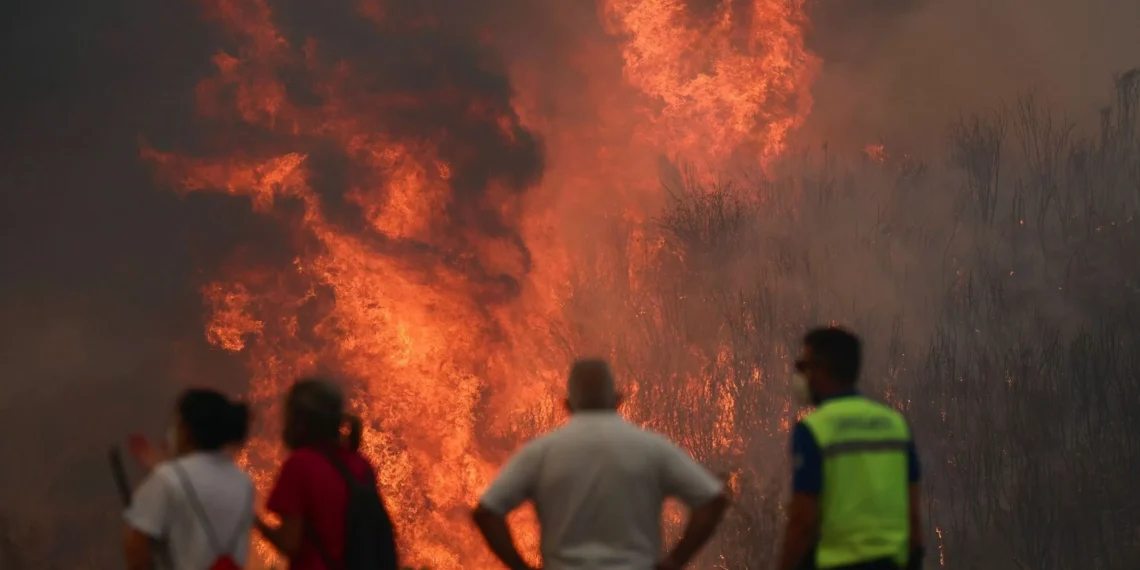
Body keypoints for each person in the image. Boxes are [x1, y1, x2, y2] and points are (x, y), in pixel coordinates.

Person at [472, 358, 730, 570]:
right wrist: (674, 562)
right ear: (618, 400)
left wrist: (521, 567)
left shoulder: (541, 452)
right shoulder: (651, 447)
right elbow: (713, 501)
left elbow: (487, 513)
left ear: (567, 405)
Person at [777, 327, 924, 570]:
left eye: (804, 367)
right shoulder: (894, 424)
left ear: (822, 369)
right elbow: (914, 518)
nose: (800, 376)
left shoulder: (814, 429)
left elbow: (803, 523)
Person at [255, 378, 398, 570]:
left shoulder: (300, 464)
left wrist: (254, 521)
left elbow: (290, 543)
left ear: (302, 420)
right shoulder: (361, 465)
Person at [122, 389, 254, 570]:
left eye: (175, 424)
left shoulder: (168, 477)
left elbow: (135, 544)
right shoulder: (243, 482)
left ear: (187, 431)